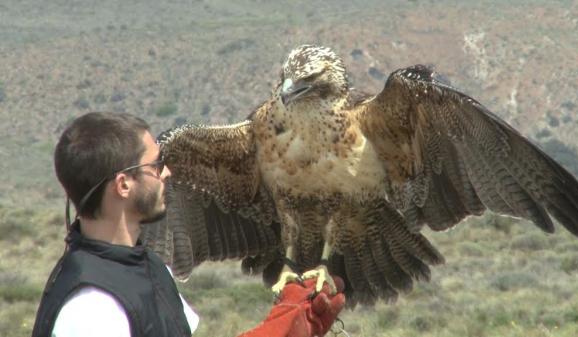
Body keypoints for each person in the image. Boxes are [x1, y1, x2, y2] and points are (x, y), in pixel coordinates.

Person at [32, 112, 344, 337]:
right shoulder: (92, 308)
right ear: (123, 185)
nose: (166, 172)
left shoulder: (148, 267)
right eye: (155, 164)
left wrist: (283, 329)